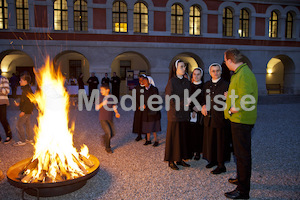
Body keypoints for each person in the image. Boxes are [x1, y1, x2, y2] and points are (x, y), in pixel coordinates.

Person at [224, 48, 258, 199]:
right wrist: (229, 95)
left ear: (230, 61)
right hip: (239, 120)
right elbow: (241, 92)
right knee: (239, 153)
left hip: (241, 120)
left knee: (242, 155)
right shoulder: (241, 72)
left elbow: (247, 97)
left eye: (225, 61)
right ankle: (240, 179)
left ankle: (243, 191)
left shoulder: (243, 74)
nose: (225, 64)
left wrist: (233, 109)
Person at [201, 63, 230, 175]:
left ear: (221, 72)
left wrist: (229, 98)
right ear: (210, 72)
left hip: (220, 118)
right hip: (209, 118)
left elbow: (232, 100)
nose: (215, 72)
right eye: (213, 71)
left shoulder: (226, 85)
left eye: (217, 70)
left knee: (220, 142)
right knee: (210, 140)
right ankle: (212, 160)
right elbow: (203, 98)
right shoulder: (207, 85)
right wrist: (203, 105)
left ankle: (221, 164)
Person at [164, 59, 192, 170]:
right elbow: (169, 98)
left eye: (184, 66)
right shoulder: (172, 82)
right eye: (181, 66)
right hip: (174, 114)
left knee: (182, 138)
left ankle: (180, 159)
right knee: (173, 138)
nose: (184, 68)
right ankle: (171, 160)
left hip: (184, 114)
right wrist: (183, 102)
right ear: (175, 69)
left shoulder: (187, 82)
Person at [96, 85, 120, 153]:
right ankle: (108, 148)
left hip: (110, 118)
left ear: (107, 90)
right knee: (108, 133)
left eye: (102, 90)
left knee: (113, 134)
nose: (101, 91)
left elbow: (114, 106)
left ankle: (105, 138)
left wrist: (116, 113)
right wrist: (102, 103)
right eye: (100, 90)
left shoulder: (112, 97)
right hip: (103, 119)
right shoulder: (100, 98)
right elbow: (97, 107)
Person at [13, 73, 34, 146]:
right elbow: (27, 101)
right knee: (27, 124)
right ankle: (29, 139)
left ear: (25, 81)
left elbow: (29, 101)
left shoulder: (26, 90)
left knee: (19, 124)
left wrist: (23, 111)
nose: (19, 82)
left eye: (21, 80)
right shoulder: (27, 89)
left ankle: (22, 140)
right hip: (28, 110)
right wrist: (19, 104)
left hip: (26, 111)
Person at [140, 75, 161, 147]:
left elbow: (155, 100)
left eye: (145, 81)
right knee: (147, 126)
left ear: (149, 81)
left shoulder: (154, 89)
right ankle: (148, 140)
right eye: (143, 81)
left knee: (154, 126)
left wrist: (146, 105)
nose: (143, 82)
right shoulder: (144, 90)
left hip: (153, 111)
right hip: (146, 112)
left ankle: (156, 140)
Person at [189, 68, 204, 160]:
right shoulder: (189, 86)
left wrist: (198, 108)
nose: (196, 76)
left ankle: (198, 152)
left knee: (199, 133)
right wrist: (192, 108)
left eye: (198, 74)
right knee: (190, 132)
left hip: (201, 112)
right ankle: (191, 150)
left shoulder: (204, 86)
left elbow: (205, 99)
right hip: (190, 112)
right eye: (195, 74)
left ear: (201, 75)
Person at [0, 69, 13, 144]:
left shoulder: (3, 79)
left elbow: (7, 90)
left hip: (2, 102)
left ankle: (9, 135)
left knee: (3, 119)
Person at [132, 75, 145, 141]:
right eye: (140, 80)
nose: (141, 81)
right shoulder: (136, 88)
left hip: (146, 108)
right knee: (139, 121)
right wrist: (138, 106)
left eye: (142, 80)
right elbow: (134, 98)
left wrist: (146, 105)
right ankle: (139, 135)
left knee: (146, 121)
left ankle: (146, 135)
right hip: (138, 108)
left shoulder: (147, 87)